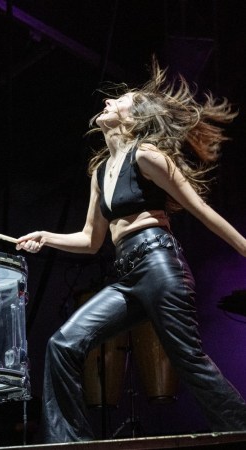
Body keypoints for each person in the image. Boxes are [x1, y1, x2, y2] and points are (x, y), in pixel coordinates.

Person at [16, 59, 246, 442]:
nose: (109, 101)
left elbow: (202, 211)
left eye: (121, 99)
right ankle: (69, 443)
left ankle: (240, 429)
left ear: (135, 118)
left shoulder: (147, 156)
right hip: (127, 276)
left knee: (188, 360)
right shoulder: (100, 172)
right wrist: (46, 237)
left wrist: (244, 248)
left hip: (159, 265)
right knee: (63, 344)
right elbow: (91, 240)